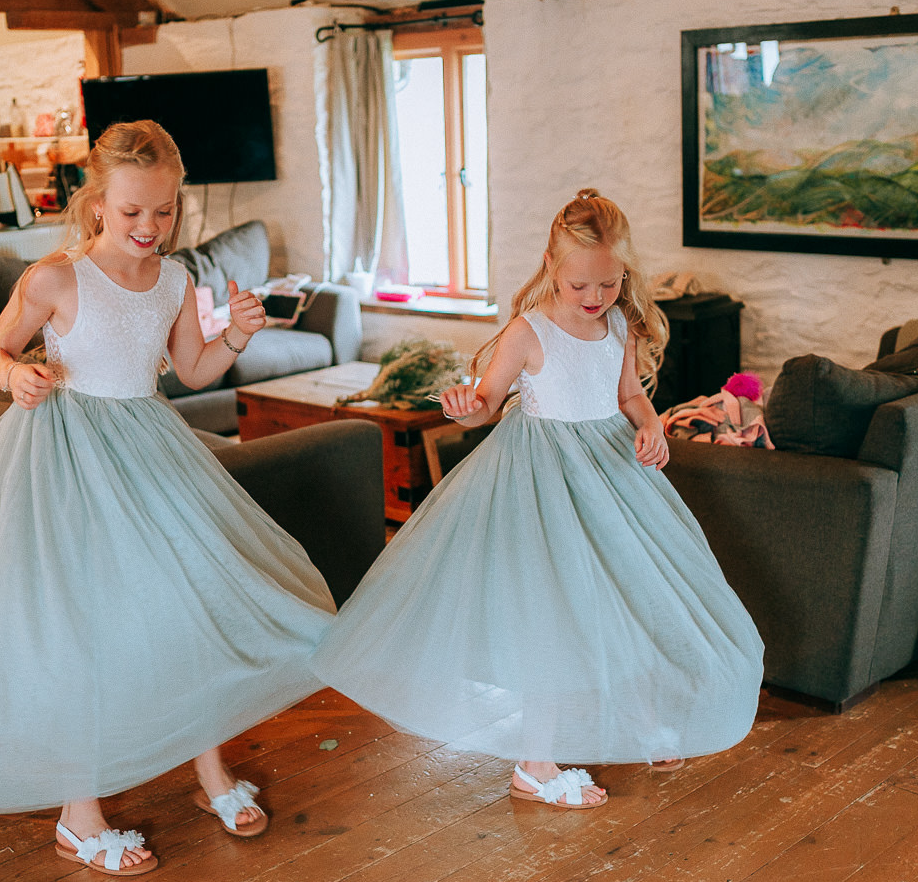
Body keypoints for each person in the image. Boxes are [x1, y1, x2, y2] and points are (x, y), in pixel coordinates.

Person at [0, 120, 337, 875]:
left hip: (152, 459)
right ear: (98, 205)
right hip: (66, 463)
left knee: (182, 609)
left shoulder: (176, 281)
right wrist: (14, 375)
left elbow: (190, 369)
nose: (149, 227)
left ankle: (211, 773)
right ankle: (78, 816)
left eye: (164, 212)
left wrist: (238, 336)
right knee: (83, 630)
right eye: (133, 213)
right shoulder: (57, 278)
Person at [310, 189, 764, 808]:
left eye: (608, 283)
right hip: (542, 482)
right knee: (556, 614)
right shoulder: (529, 331)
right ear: (551, 263)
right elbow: (488, 403)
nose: (594, 297)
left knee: (625, 592)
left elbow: (629, 395)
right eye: (581, 284)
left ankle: (633, 721)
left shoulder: (618, 326)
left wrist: (652, 424)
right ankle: (536, 762)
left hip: (611, 475)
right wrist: (468, 406)